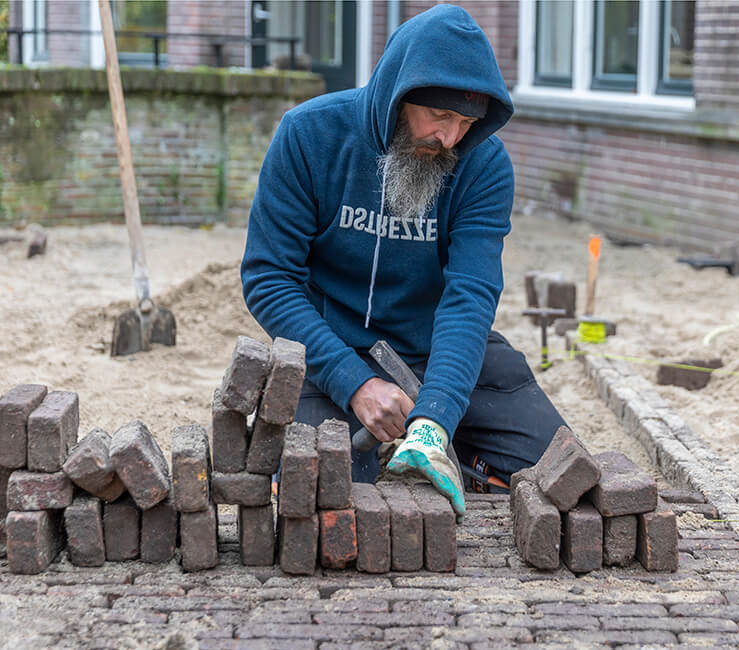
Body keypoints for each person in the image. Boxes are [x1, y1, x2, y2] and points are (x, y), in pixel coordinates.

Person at [241, 4, 565, 520]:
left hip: (437, 348)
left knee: (557, 471)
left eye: (465, 122)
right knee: (331, 491)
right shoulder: (307, 136)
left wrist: (436, 418)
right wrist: (355, 382)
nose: (451, 139)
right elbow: (269, 280)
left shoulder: (483, 163)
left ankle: (458, 456)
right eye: (439, 116)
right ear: (398, 95)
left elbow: (470, 296)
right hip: (329, 351)